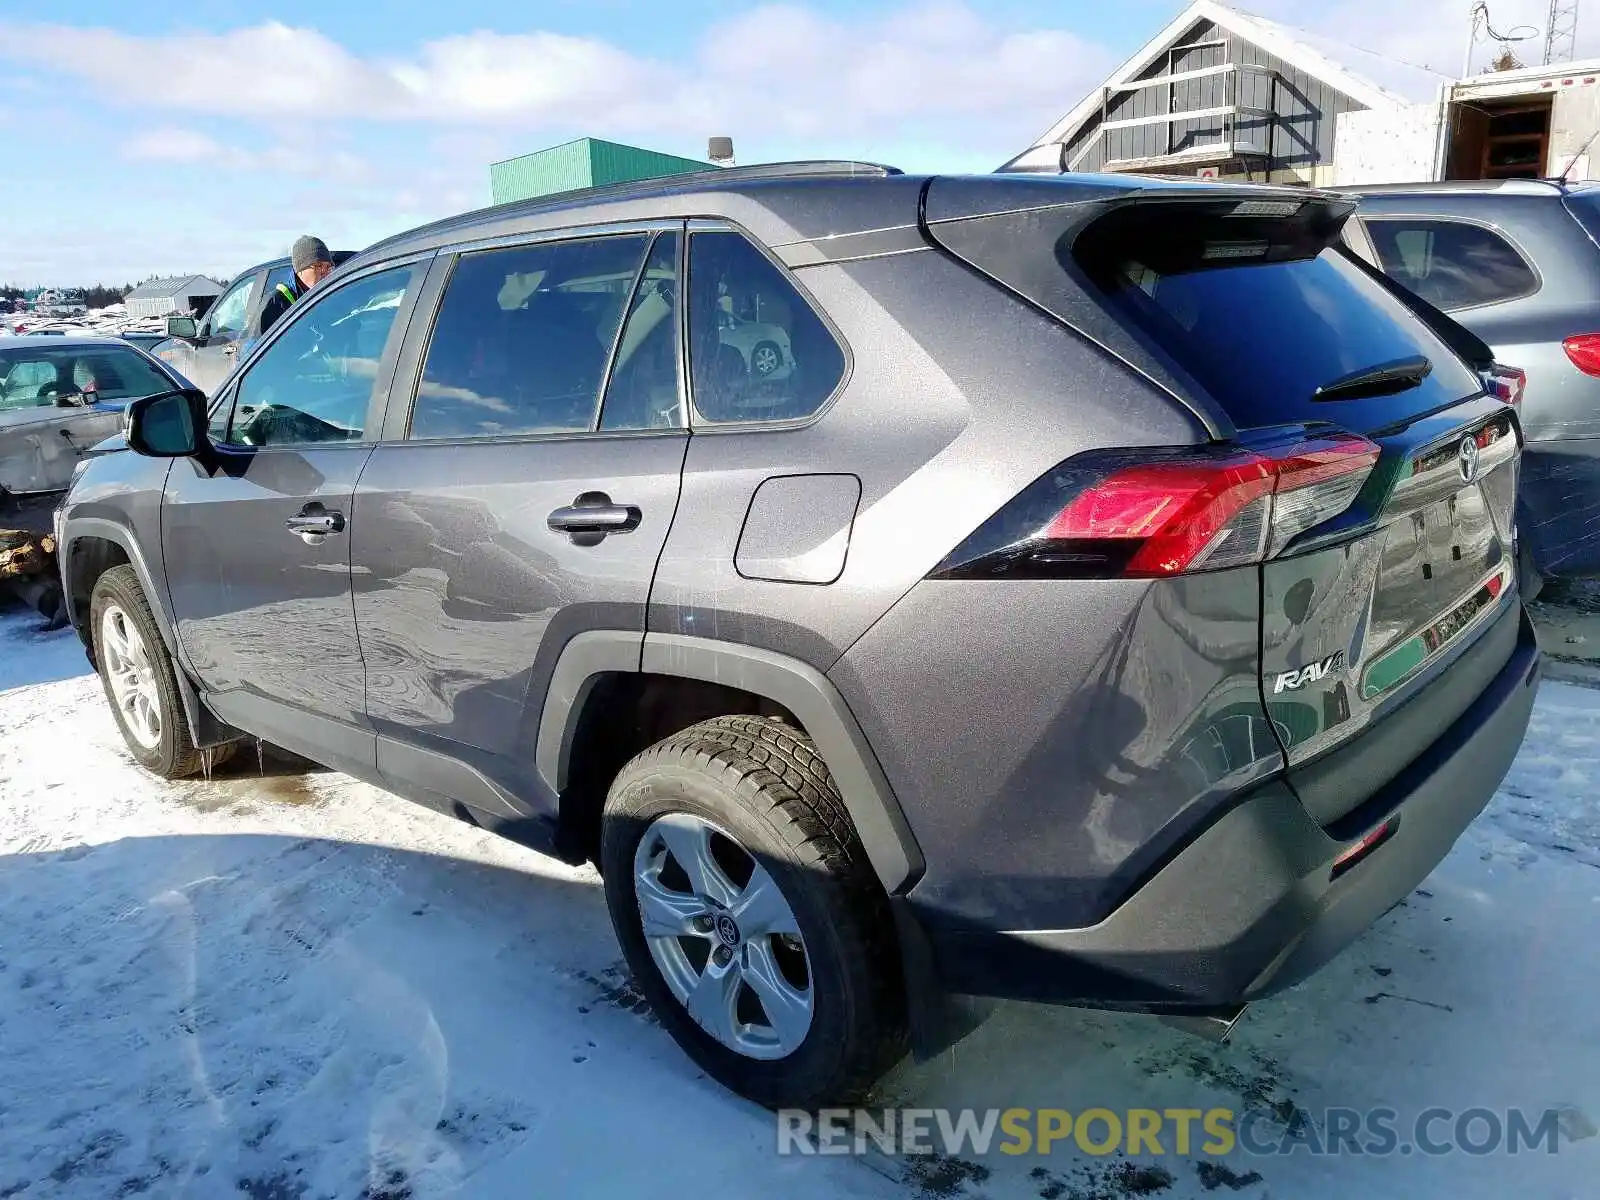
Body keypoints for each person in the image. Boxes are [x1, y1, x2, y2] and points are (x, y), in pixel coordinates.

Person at [257, 235, 335, 338]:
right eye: (319, 266)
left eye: (328, 266)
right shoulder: (275, 303)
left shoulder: (332, 294)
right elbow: (255, 348)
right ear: (300, 269)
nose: (324, 273)